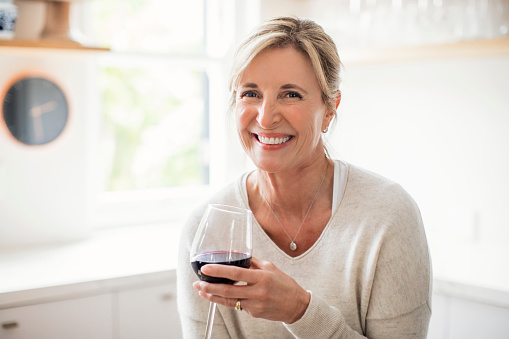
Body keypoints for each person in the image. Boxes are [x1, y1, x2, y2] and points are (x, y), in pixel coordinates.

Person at [177, 16, 432, 338]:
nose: (266, 117)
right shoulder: (204, 228)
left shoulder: (387, 215)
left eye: (291, 94)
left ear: (329, 108)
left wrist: (300, 311)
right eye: (250, 93)